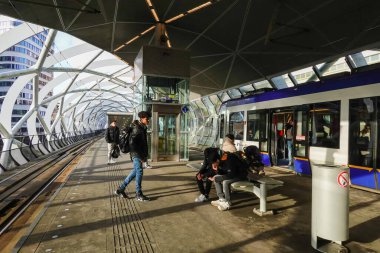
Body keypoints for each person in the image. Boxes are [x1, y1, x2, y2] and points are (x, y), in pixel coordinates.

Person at [115, 111, 151, 201]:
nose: (148, 120)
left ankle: (120, 189)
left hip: (137, 153)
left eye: (148, 119)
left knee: (135, 171)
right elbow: (132, 143)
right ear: (142, 119)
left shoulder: (142, 128)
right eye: (147, 119)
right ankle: (138, 194)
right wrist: (141, 156)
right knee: (139, 171)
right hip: (136, 153)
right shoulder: (138, 128)